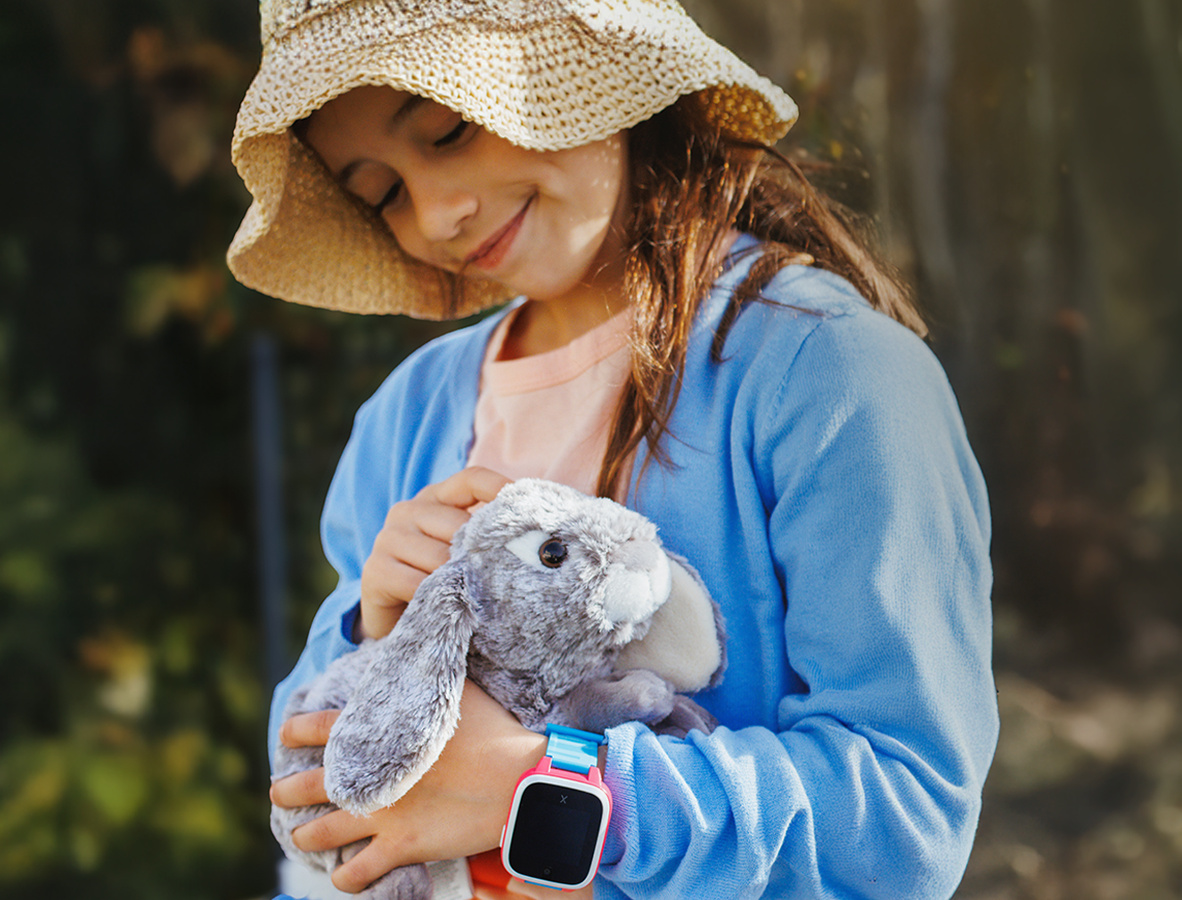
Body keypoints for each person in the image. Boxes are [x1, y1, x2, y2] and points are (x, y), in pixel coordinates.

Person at [225, 2, 996, 899]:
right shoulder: (407, 416)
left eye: (448, 129)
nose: (436, 214)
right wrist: (375, 630)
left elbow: (905, 817)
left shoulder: (834, 376)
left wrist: (537, 789)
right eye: (382, 192)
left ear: (586, 70)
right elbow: (306, 796)